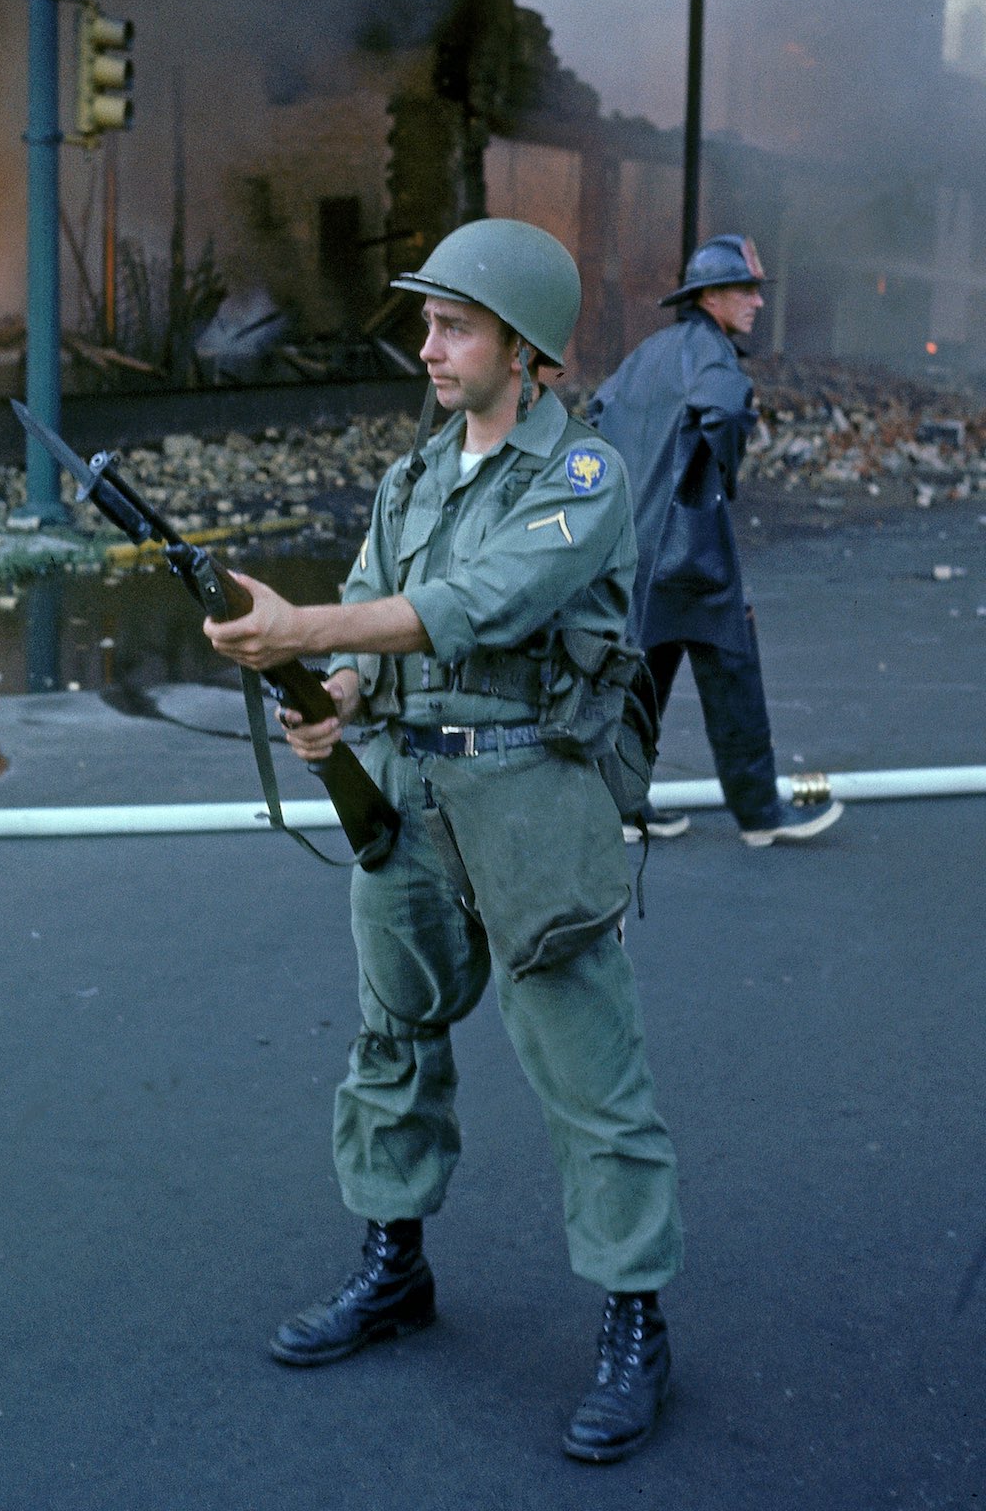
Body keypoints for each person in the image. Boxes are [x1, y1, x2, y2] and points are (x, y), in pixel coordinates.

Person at [204, 218, 683, 1465]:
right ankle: (393, 1267)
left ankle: (637, 1323)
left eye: (453, 325)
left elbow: (481, 607)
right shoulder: (413, 478)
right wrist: (334, 696)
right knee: (391, 1046)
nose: (428, 345)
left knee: (591, 1079)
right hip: (409, 805)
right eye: (427, 323)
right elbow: (379, 644)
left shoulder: (582, 479)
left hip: (534, 815)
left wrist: (306, 627)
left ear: (523, 349)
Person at [588, 234, 844, 848]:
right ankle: (760, 817)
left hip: (637, 549)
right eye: (744, 289)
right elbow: (725, 414)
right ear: (709, 296)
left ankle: (622, 808)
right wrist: (720, 476)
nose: (757, 301)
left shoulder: (649, 353)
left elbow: (594, 420)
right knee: (733, 669)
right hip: (692, 545)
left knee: (643, 673)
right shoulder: (712, 355)